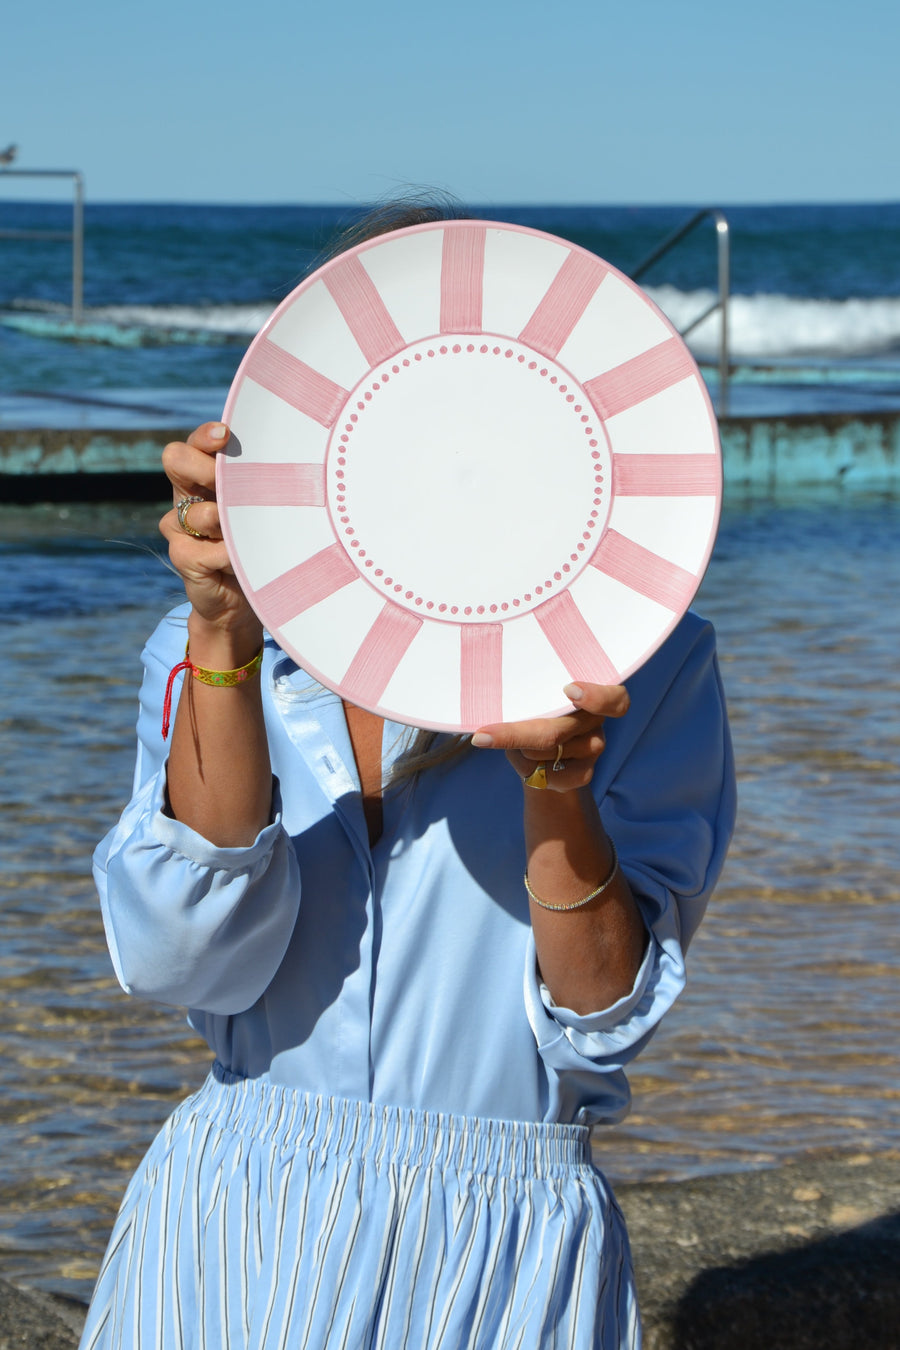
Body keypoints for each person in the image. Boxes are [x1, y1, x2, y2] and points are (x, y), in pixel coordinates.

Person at [79, 209, 735, 1350]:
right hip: (234, 1225)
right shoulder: (225, 651)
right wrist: (222, 630)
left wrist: (555, 787)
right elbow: (184, 960)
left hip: (500, 1256)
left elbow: (601, 1028)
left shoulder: (645, 658)